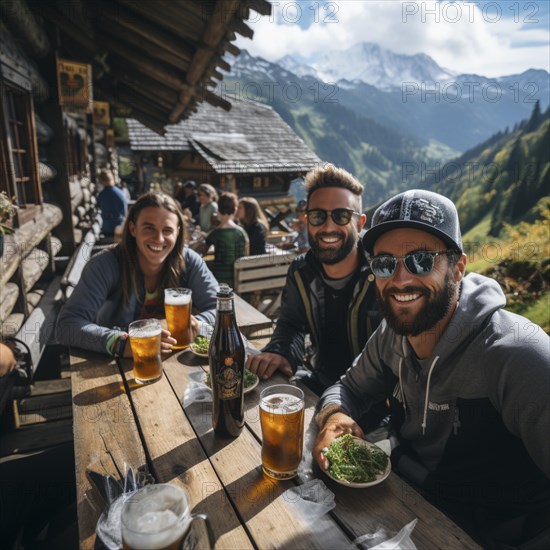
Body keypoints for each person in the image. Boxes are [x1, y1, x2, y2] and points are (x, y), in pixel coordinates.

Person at [313, 189, 550, 549]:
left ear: (458, 266)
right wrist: (335, 417)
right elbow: (350, 388)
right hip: (404, 508)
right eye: (384, 263)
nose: (401, 279)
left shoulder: (519, 356)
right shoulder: (393, 332)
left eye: (421, 260)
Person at [246, 164, 380, 394]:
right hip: (319, 385)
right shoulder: (301, 271)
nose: (328, 227)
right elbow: (291, 324)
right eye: (318, 216)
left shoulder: (384, 272)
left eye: (341, 216)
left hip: (374, 402)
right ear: (307, 220)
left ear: (359, 223)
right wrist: (281, 352)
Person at [56, 192, 218, 356]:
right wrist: (121, 343)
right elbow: (67, 326)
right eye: (149, 228)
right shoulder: (104, 265)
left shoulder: (189, 260)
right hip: (115, 368)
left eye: (167, 230)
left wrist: (196, 324)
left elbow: (221, 307)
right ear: (133, 229)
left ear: (177, 232)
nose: (159, 239)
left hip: (175, 364)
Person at [203, 192, 249, 288]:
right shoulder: (242, 233)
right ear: (235, 209)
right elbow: (246, 256)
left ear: (218, 209)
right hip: (239, 280)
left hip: (219, 281)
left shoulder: (215, 233)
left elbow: (203, 254)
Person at [97, 168, 129, 239]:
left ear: (101, 181)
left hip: (107, 229)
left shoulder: (101, 195)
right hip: (120, 228)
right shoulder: (121, 193)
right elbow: (125, 212)